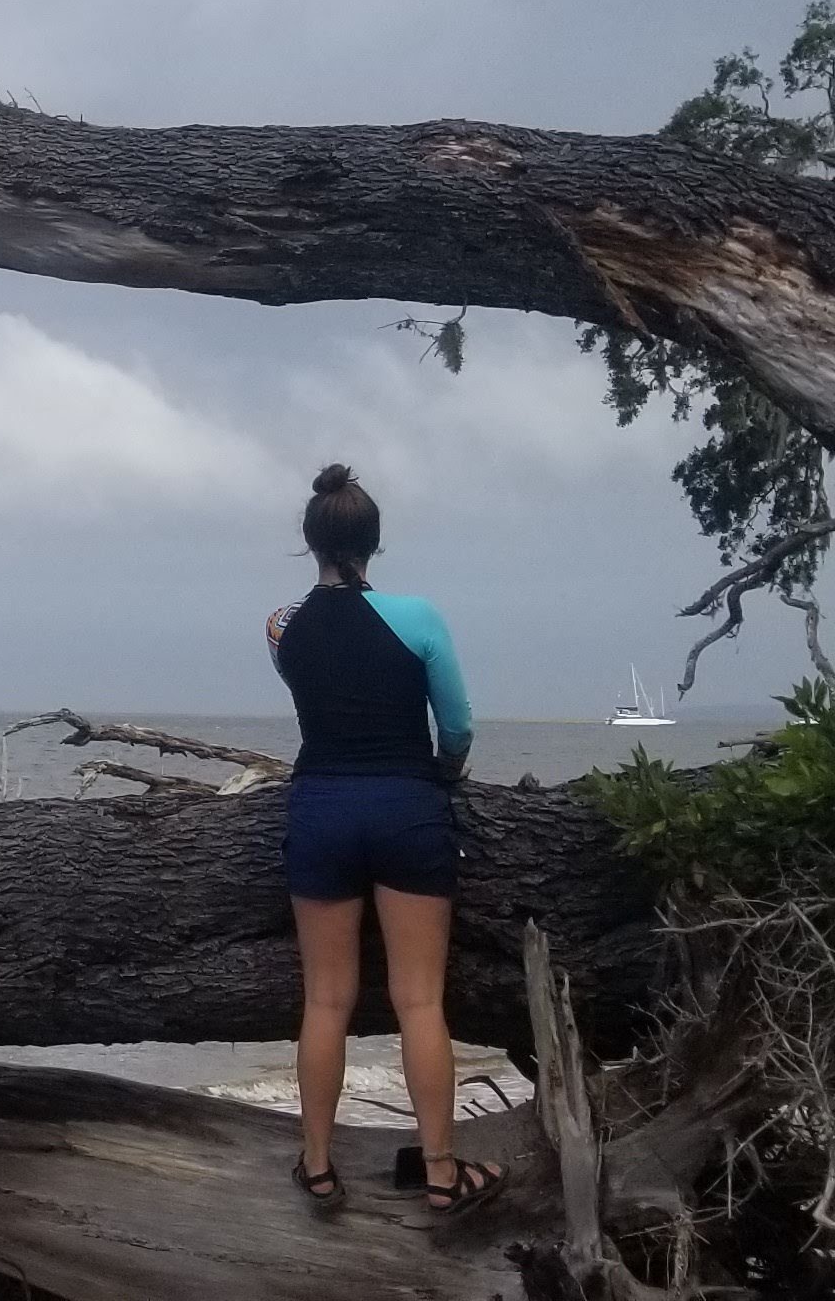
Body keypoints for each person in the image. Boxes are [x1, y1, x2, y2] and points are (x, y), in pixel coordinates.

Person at [264, 463, 502, 1217]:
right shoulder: (421, 617)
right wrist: (443, 771)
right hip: (408, 807)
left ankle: (320, 1167)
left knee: (326, 1001)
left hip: (322, 808)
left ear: (311, 542)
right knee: (419, 1003)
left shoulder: (280, 628)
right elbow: (458, 725)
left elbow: (317, 685)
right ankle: (440, 1174)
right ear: (375, 542)